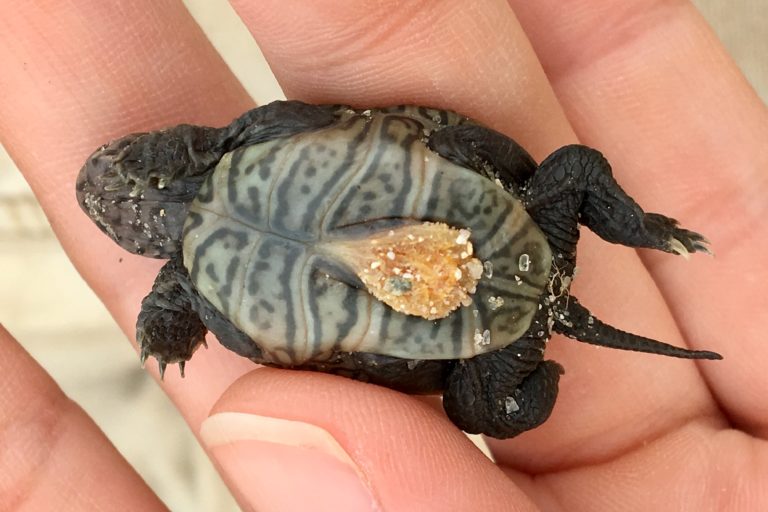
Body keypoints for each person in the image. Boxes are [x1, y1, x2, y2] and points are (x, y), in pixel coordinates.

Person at [1, 1, 766, 510]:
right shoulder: (247, 142)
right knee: (569, 170)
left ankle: (601, 279)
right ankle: (648, 232)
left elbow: (209, 316)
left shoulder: (194, 288)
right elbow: (335, 125)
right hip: (517, 233)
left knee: (483, 412)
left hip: (488, 346)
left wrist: (166, 328)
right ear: (177, 147)